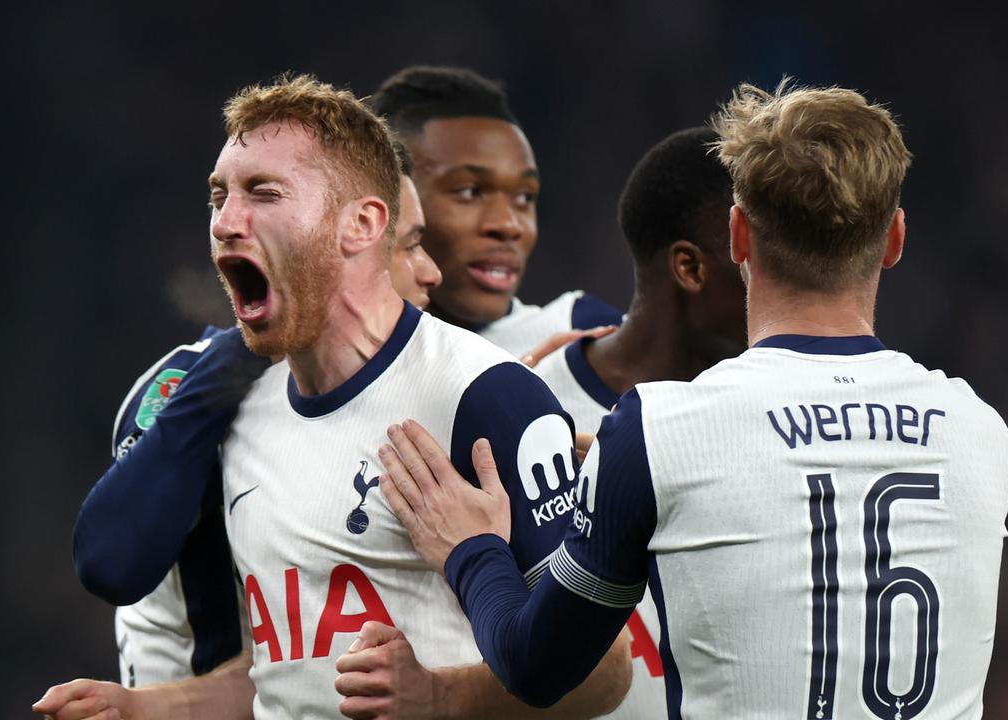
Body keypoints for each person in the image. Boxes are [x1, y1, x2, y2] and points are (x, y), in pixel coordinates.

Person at [374, 81, 1008, 719]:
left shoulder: (660, 433)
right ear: (896, 239)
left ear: (738, 237)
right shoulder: (982, 431)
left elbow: (536, 669)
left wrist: (473, 546)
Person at [41, 74, 629, 720]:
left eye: (262, 194)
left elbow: (603, 670)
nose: (226, 222)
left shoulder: (484, 398)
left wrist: (441, 699)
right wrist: (145, 709)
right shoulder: (241, 411)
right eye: (218, 196)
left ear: (361, 224)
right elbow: (285, 673)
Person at [66, 141, 442, 691]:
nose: (430, 272)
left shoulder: (433, 383)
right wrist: (242, 354)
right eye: (408, 246)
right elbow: (110, 564)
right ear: (345, 244)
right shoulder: (189, 383)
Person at [526, 125, 746, 719]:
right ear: (690, 268)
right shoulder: (530, 408)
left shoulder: (768, 415)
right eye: (758, 252)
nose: (785, 271)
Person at [370, 66, 622, 358]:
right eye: (469, 191)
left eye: (525, 197)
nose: (508, 225)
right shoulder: (315, 367)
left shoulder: (583, 340)